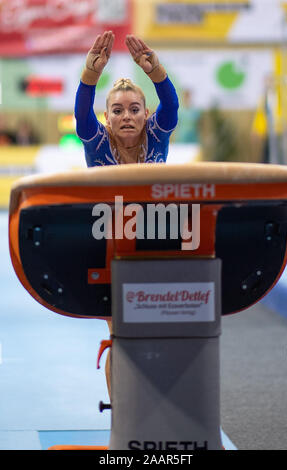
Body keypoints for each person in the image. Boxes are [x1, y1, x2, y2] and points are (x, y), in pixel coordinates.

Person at [74, 31, 179, 396]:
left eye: (135, 109)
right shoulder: (96, 139)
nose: (127, 116)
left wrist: (156, 71)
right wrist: (90, 75)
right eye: (117, 110)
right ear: (107, 117)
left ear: (146, 113)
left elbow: (172, 105)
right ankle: (122, 415)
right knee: (119, 331)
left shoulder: (158, 133)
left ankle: (157, 404)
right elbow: (80, 112)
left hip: (155, 239)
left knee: (156, 328)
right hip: (109, 245)